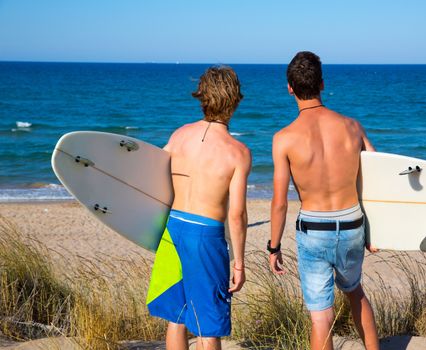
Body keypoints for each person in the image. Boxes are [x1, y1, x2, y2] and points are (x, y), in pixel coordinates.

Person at [268, 51, 380, 350]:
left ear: (289, 87)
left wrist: (274, 246)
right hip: (353, 223)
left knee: (321, 317)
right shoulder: (352, 127)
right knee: (355, 292)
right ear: (322, 84)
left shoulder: (284, 138)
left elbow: (280, 201)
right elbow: (377, 180)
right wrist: (377, 231)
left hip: (314, 230)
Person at [147, 66, 251, 350]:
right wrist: (239, 263)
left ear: (202, 97)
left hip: (173, 229)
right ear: (235, 99)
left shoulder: (179, 135)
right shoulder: (238, 152)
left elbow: (153, 178)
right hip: (205, 236)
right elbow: (237, 215)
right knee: (207, 327)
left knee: (176, 317)